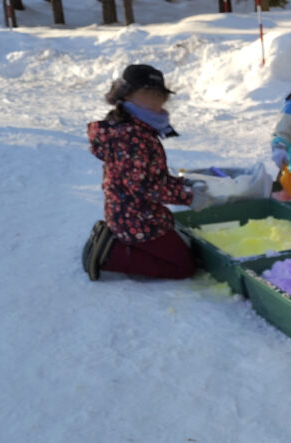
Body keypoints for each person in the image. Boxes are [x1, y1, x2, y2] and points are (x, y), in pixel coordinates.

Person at [82, 64, 215, 281]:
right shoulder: (130, 137)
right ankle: (110, 253)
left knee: (186, 249)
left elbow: (152, 177)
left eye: (159, 95)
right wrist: (187, 197)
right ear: (127, 95)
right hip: (134, 218)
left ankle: (118, 242)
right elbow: (143, 187)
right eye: (147, 94)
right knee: (184, 267)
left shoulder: (140, 129)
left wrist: (184, 184)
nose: (156, 101)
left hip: (140, 212)